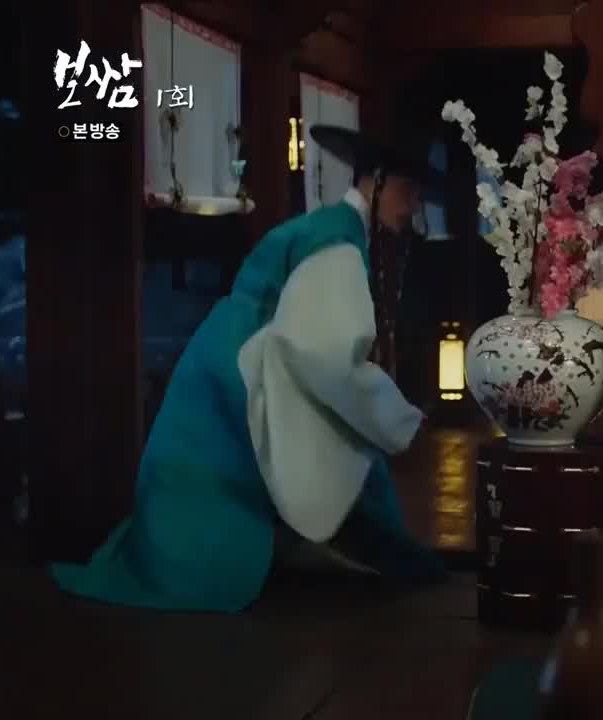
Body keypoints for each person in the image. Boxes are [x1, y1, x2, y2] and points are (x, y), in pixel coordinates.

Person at [50, 124, 449, 612]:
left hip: (228, 352)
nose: (411, 208)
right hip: (247, 365)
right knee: (227, 482)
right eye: (409, 193)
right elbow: (327, 353)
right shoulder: (338, 241)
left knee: (205, 472)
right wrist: (395, 416)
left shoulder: (326, 227)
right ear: (379, 182)